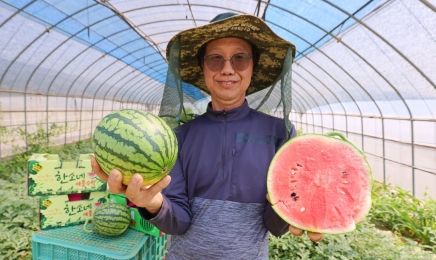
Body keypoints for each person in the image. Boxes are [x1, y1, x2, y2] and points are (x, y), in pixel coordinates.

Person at [91, 12, 322, 259]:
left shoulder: (279, 133)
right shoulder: (179, 136)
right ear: (203, 68)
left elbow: (273, 225)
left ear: (253, 67)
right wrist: (151, 202)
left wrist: (299, 207)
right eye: (215, 59)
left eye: (240, 58)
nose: (227, 69)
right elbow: (178, 222)